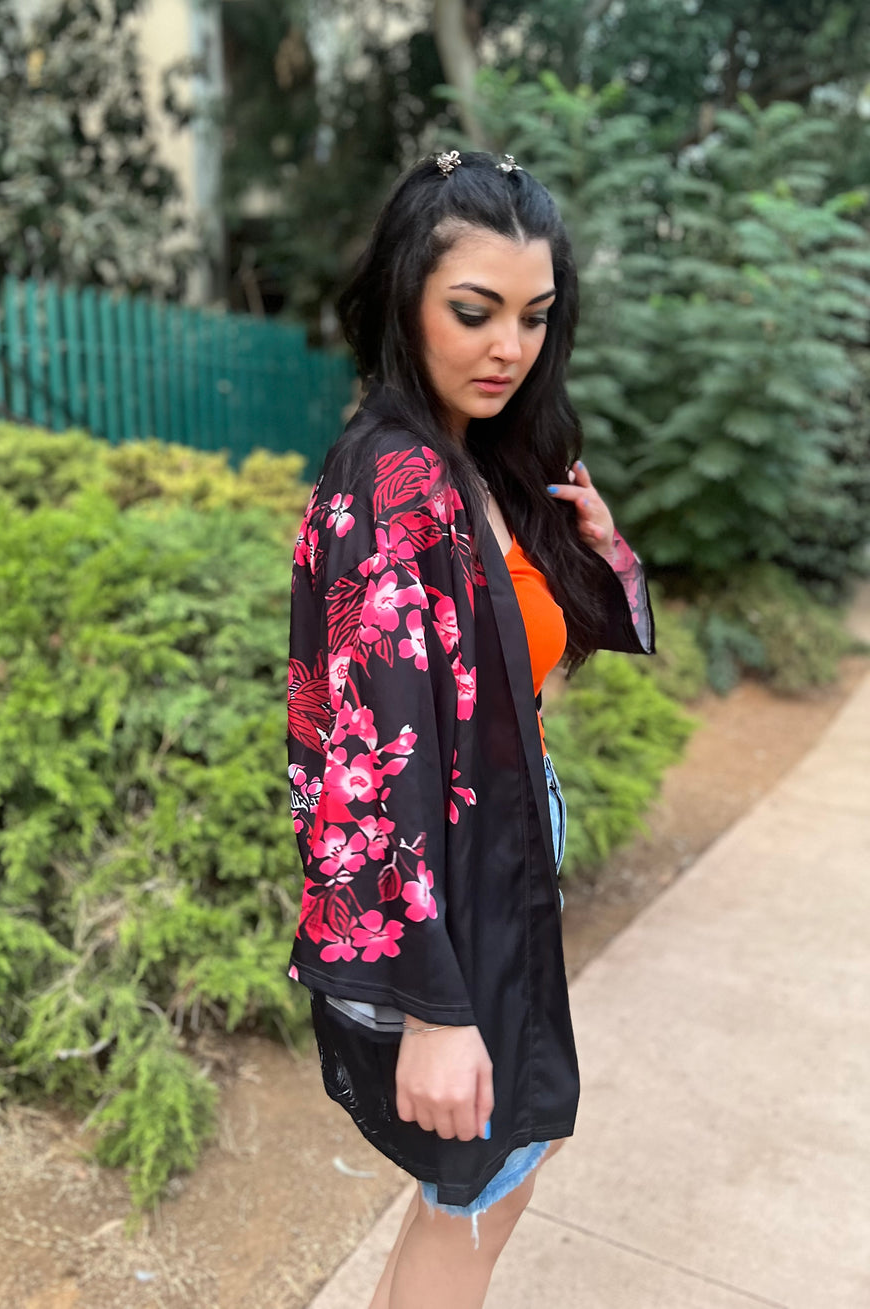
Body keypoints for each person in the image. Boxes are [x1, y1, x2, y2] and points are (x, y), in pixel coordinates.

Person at [286, 149, 653, 1309]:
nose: (510, 347)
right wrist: (435, 1011)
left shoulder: (484, 461)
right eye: (474, 312)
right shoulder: (391, 485)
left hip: (489, 868)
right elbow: (360, 774)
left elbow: (552, 643)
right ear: (406, 296)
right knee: (484, 1185)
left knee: (479, 1186)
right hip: (435, 901)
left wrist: (596, 547)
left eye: (535, 317)